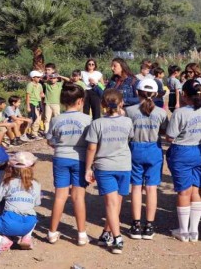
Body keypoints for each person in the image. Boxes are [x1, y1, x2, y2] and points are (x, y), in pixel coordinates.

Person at [85, 89, 134, 254]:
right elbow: (129, 139)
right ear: (121, 103)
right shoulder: (127, 122)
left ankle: (117, 238)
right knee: (116, 203)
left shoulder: (97, 123)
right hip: (124, 165)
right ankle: (106, 234)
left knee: (112, 204)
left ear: (102, 105)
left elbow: (92, 148)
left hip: (105, 167)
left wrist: (88, 168)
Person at [165, 79, 201, 243]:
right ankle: (194, 231)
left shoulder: (180, 113)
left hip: (182, 152)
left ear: (184, 95)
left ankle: (183, 231)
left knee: (183, 191)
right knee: (196, 189)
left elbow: (170, 137)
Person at [46, 83, 91, 246]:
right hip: (80, 158)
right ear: (80, 101)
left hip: (60, 157)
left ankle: (52, 232)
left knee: (60, 196)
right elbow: (91, 144)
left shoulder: (56, 119)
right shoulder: (88, 120)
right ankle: (81, 234)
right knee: (78, 197)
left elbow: (50, 140)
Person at [125, 79, 166, 241]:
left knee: (136, 187)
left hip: (135, 149)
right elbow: (164, 131)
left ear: (137, 92)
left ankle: (136, 225)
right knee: (151, 188)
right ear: (156, 94)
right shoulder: (161, 112)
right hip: (154, 150)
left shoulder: (130, 111)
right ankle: (149, 226)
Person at [43, 63, 68, 134]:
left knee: (57, 117)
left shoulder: (59, 85)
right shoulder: (47, 84)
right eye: (51, 78)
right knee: (47, 118)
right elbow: (42, 78)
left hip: (56, 103)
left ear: (57, 79)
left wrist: (59, 76)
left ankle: (58, 130)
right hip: (47, 103)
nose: (53, 79)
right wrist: (47, 75)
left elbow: (68, 80)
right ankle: (46, 131)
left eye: (54, 78)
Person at [25, 70, 45, 140]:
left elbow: (41, 93)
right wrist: (28, 106)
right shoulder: (30, 85)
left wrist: (42, 95)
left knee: (38, 118)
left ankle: (34, 133)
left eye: (39, 77)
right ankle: (30, 133)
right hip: (32, 103)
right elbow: (28, 95)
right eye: (38, 77)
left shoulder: (39, 85)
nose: (39, 78)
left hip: (38, 103)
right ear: (33, 77)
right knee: (33, 118)